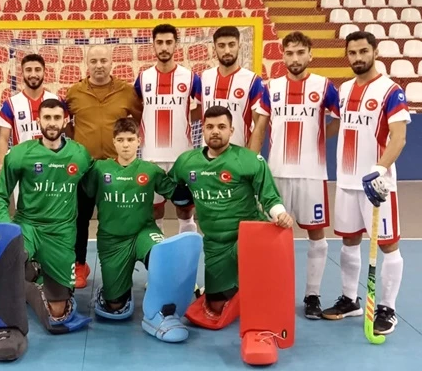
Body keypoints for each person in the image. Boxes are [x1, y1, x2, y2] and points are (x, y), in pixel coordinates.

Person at [0, 98, 94, 360]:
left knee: (58, 316)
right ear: (38, 120)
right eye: (47, 118)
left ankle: (32, 283)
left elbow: (92, 188)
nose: (52, 123)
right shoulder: (21, 154)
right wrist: (9, 231)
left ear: (65, 121)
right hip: (28, 226)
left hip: (61, 232)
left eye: (57, 118)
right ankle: (8, 329)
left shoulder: (80, 155)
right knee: (9, 260)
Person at [169, 105, 294, 330]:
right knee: (216, 307)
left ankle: (258, 294)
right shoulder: (186, 162)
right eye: (210, 127)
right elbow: (170, 184)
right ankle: (237, 288)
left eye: (221, 126)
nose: (215, 131)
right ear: (203, 130)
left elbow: (268, 196)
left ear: (231, 130)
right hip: (216, 243)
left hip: (247, 235)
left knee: (259, 287)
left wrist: (280, 214)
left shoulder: (249, 160)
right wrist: (179, 198)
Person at [320, 31, 409, 335]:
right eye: (352, 52)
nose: (357, 57)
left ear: (375, 52)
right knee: (348, 241)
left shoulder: (391, 91)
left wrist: (379, 170)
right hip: (346, 181)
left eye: (363, 51)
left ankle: (387, 308)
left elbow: (399, 137)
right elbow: (336, 125)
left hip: (377, 185)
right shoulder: (344, 90)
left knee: (388, 245)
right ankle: (350, 300)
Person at [82, 117, 201, 343]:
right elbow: (80, 191)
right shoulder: (98, 169)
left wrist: (198, 181)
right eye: (120, 140)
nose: (125, 145)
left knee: (162, 254)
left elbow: (179, 196)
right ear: (114, 142)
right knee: (115, 305)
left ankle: (163, 312)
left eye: (130, 139)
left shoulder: (150, 170)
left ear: (139, 141)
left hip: (143, 232)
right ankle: (115, 290)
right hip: (112, 240)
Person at [250, 31, 341, 319]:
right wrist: (252, 165)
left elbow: (341, 119)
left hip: (312, 175)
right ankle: (271, 289)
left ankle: (312, 295)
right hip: (276, 174)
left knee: (316, 233)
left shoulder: (324, 86)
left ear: (310, 54)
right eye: (289, 53)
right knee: (271, 233)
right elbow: (260, 127)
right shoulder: (271, 87)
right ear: (283, 56)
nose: (295, 58)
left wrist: (319, 137)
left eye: (301, 52)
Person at [64, 45, 143, 288]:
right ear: (87, 64)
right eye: (94, 61)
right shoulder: (74, 92)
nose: (99, 65)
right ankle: (79, 264)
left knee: (116, 220)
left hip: (116, 169)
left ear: (112, 63)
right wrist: (78, 148)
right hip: (85, 170)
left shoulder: (127, 92)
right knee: (79, 219)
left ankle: (120, 263)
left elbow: (140, 120)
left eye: (104, 60)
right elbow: (67, 125)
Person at [135, 23, 201, 234]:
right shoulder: (143, 78)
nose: (164, 47)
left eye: (169, 42)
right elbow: (136, 108)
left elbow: (205, 108)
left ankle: (187, 248)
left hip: (182, 156)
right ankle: (158, 249)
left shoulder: (190, 77)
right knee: (154, 209)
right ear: (153, 45)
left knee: (185, 208)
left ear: (176, 45)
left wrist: (186, 119)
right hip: (151, 155)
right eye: (160, 42)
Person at [0, 53, 61, 205]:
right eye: (28, 70)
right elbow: (3, 138)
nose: (33, 74)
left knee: (52, 211)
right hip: (23, 169)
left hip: (52, 167)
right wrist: (2, 166)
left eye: (37, 69)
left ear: (44, 71)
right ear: (22, 73)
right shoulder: (11, 104)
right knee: (25, 213)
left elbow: (66, 133)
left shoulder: (56, 100)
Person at [199, 26, 267, 149]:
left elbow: (259, 126)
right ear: (214, 48)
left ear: (239, 46)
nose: (227, 51)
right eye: (221, 46)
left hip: (238, 154)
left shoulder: (253, 81)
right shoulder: (205, 77)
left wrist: (250, 156)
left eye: (231, 45)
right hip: (208, 154)